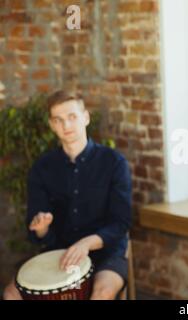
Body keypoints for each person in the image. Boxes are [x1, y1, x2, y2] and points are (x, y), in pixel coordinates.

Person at [3, 90, 132, 300]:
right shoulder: (42, 168)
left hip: (104, 253)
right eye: (58, 120)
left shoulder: (114, 163)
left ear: (86, 117)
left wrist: (86, 244)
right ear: (52, 125)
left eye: (72, 117)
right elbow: (38, 235)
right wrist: (42, 229)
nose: (66, 125)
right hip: (59, 253)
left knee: (103, 293)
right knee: (10, 294)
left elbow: (121, 223)